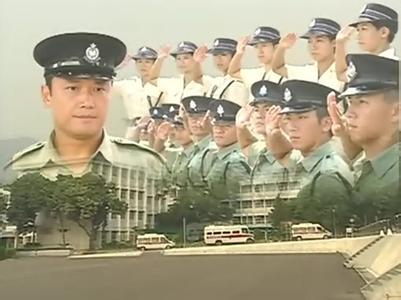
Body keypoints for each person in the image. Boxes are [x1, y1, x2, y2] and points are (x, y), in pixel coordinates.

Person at [5, 32, 167, 249]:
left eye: (99, 89)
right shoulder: (21, 167)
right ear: (47, 95)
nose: (87, 101)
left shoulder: (148, 165)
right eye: (73, 88)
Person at [338, 54, 399, 224]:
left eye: (361, 102)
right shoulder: (362, 168)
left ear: (396, 111)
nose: (349, 113)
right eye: (349, 102)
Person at [277, 80, 353, 199]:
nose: (292, 127)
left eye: (301, 117)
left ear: (326, 123)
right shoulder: (303, 163)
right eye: (288, 118)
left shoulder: (328, 175)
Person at [272, 18, 344, 92]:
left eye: (319, 41)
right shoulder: (306, 71)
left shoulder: (343, 73)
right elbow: (277, 68)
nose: (313, 46)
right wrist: (281, 48)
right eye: (310, 41)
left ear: (334, 43)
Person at [335, 3, 399, 82]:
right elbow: (341, 75)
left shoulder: (395, 67)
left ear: (384, 32)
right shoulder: (362, 65)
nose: (358, 36)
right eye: (358, 30)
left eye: (364, 29)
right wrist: (340, 43)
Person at [204, 99, 251, 200]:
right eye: (216, 125)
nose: (219, 130)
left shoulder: (235, 161)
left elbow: (240, 200)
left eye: (227, 126)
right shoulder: (219, 156)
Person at [149, 41, 214, 103]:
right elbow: (152, 79)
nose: (181, 62)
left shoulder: (207, 82)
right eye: (178, 59)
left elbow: (198, 76)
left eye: (186, 58)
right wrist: (160, 59)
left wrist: (197, 63)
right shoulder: (173, 82)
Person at [113, 46, 165, 124]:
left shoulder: (163, 85)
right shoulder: (128, 84)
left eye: (147, 62)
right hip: (133, 126)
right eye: (139, 61)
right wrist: (116, 67)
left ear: (155, 64)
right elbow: (104, 83)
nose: (143, 65)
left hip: (154, 127)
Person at [207, 38, 248, 106]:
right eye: (215, 55)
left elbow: (236, 111)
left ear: (234, 56)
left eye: (223, 55)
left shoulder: (237, 84)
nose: (218, 59)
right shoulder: (217, 81)